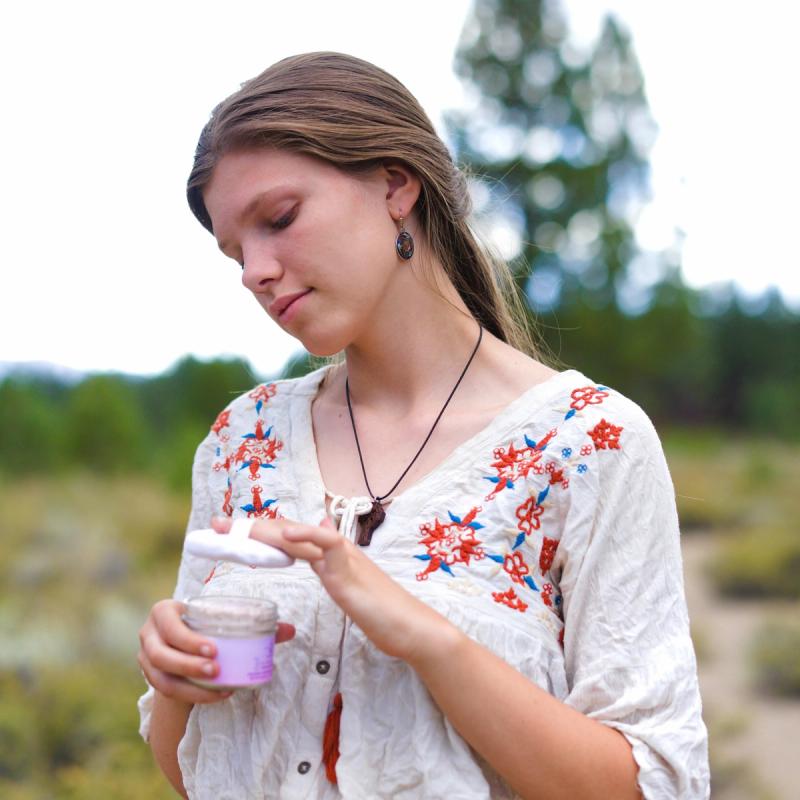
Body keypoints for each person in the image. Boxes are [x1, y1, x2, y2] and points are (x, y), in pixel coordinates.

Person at [137, 51, 709, 799]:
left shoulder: (587, 443)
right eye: (235, 251)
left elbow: (655, 784)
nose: (255, 271)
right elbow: (189, 770)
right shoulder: (243, 442)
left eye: (278, 220)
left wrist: (429, 639)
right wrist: (175, 682)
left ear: (395, 185)